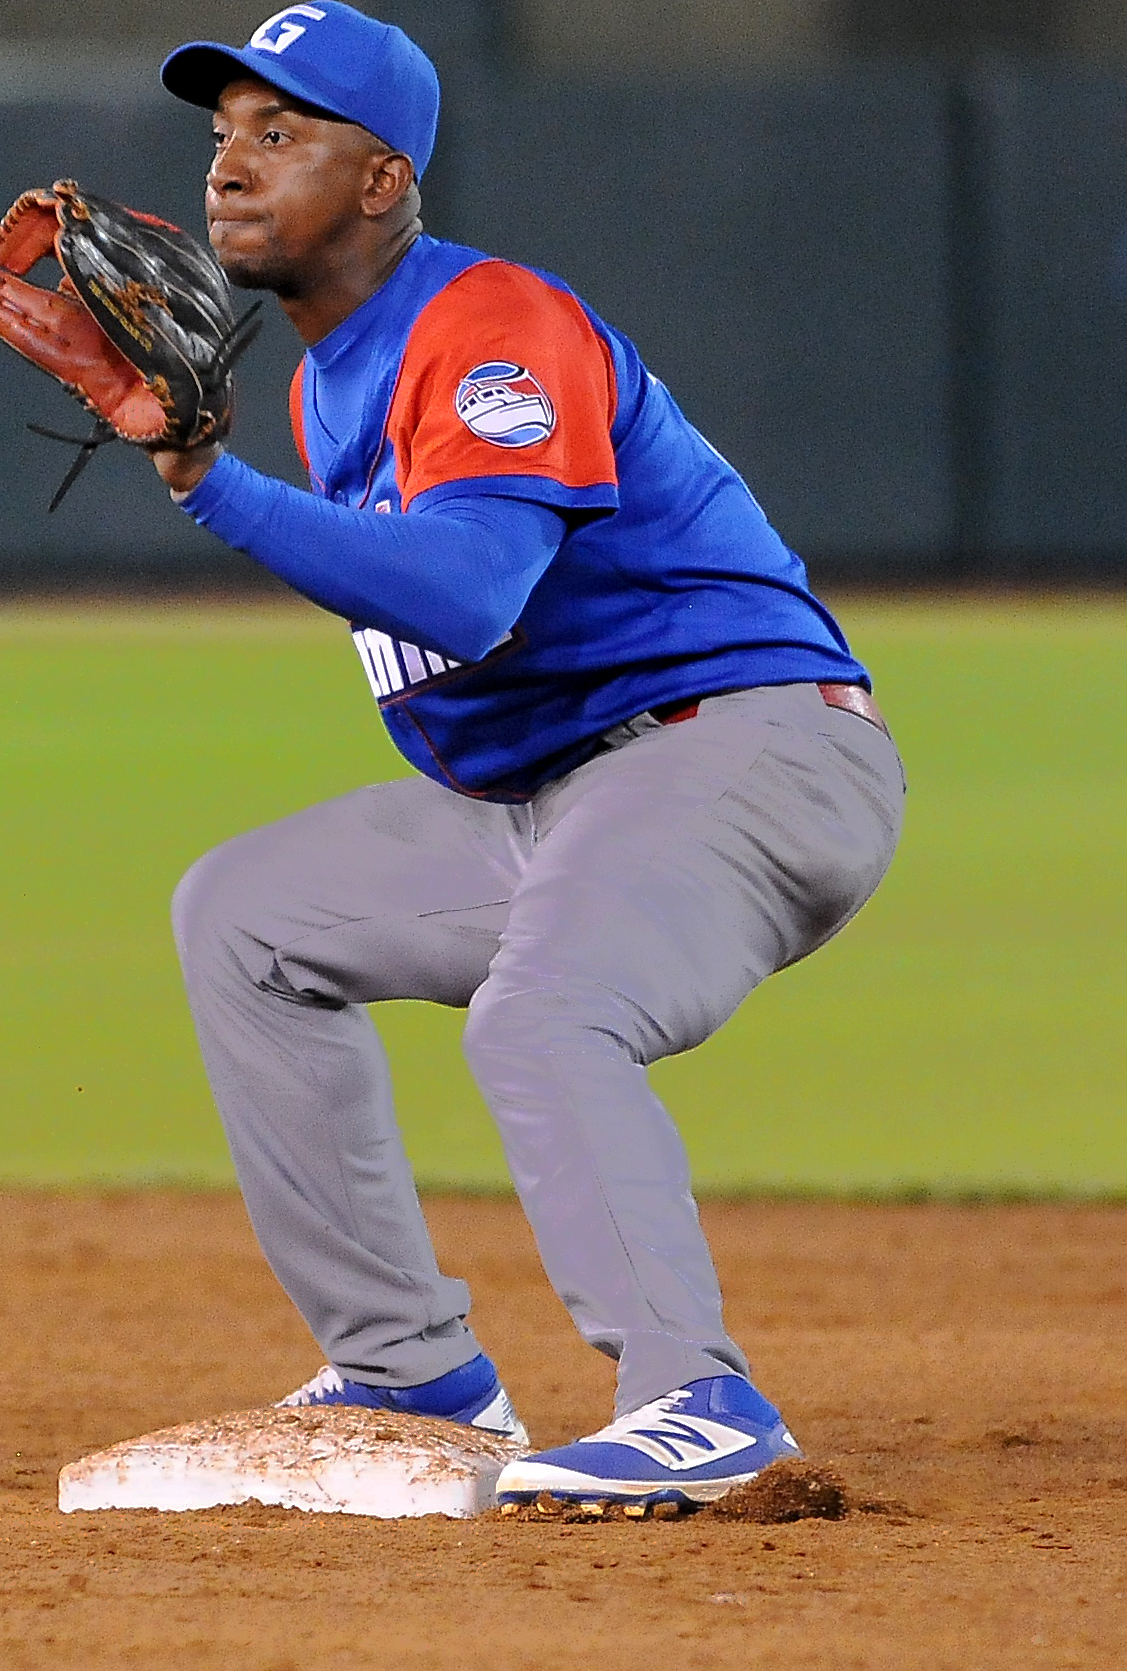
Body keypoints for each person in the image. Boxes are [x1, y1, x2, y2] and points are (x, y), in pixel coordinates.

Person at [146, 8, 903, 1509]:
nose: (231, 165)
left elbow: (473, 586)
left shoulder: (487, 323)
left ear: (382, 181)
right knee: (243, 914)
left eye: (280, 134)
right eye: (224, 131)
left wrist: (205, 485)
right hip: (563, 792)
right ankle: (412, 1370)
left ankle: (702, 1397)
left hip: (745, 745)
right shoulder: (328, 376)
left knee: (541, 1013)